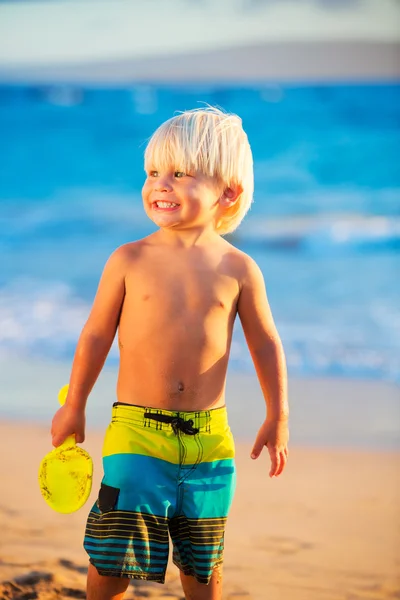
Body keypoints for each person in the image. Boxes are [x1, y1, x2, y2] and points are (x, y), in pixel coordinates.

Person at [51, 106, 289, 600]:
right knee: (114, 556)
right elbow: (95, 335)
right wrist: (74, 404)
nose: (161, 184)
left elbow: (265, 342)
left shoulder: (239, 268)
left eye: (179, 173)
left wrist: (278, 414)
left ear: (228, 192)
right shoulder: (129, 259)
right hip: (136, 433)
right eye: (154, 173)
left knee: (204, 566)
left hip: (210, 440)